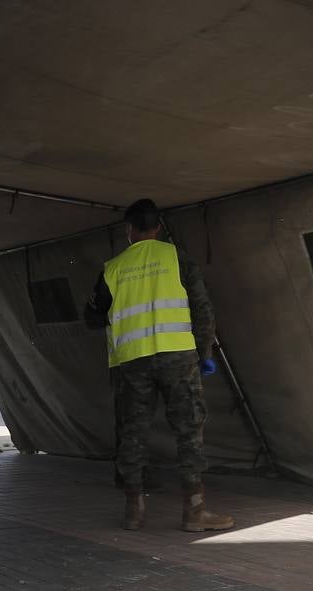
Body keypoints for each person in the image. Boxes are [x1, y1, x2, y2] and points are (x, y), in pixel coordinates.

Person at [85, 198, 233, 533]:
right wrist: (205, 352)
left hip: (132, 361)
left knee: (133, 434)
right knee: (188, 431)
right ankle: (194, 511)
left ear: (129, 231)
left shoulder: (112, 268)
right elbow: (203, 310)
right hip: (179, 357)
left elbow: (91, 318)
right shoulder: (177, 258)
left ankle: (133, 511)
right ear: (159, 228)